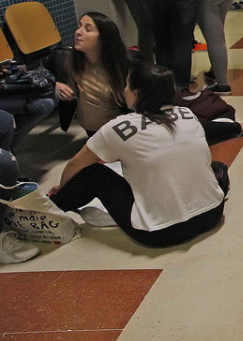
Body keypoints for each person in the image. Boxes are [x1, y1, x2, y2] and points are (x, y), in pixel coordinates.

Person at [48, 63, 227, 248]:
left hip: (161, 233)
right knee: (212, 166)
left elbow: (75, 165)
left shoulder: (118, 128)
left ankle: (49, 211)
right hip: (212, 214)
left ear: (136, 93)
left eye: (126, 85)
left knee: (94, 174)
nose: (124, 90)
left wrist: (63, 188)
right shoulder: (187, 113)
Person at [54, 12, 243, 141]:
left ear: (104, 39)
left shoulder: (126, 66)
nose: (78, 32)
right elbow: (50, 81)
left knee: (185, 131)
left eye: (88, 29)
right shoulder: (72, 61)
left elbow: (150, 104)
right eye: (79, 26)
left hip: (131, 129)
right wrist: (56, 85)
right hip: (96, 135)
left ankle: (241, 127)